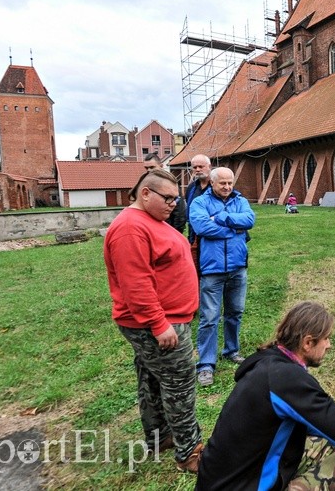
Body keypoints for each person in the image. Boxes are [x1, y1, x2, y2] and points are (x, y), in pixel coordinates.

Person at [195, 301, 335, 490]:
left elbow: (330, 427)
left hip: (221, 481)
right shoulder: (289, 381)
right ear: (308, 342)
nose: (329, 345)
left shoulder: (269, 363)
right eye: (326, 339)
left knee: (324, 439)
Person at [103, 169, 203, 472]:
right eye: (168, 198)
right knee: (180, 383)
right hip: (158, 323)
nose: (174, 204)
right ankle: (190, 452)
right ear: (145, 193)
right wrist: (159, 325)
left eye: (176, 198)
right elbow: (136, 285)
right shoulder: (130, 229)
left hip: (166, 318)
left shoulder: (150, 221)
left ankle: (160, 437)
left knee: (151, 378)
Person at [189, 167, 256, 387]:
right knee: (209, 318)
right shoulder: (200, 202)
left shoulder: (240, 200)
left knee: (235, 312)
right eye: (222, 184)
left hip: (238, 267)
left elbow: (249, 220)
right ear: (212, 183)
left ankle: (231, 351)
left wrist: (222, 217)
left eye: (230, 183)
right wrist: (234, 229)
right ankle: (206, 364)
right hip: (212, 270)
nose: (227, 187)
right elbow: (201, 226)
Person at [143, 152, 187, 234]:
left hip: (168, 230)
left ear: (161, 166)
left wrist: (175, 233)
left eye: (152, 167)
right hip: (151, 230)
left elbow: (180, 212)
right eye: (146, 168)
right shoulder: (145, 184)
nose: (149, 171)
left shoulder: (170, 183)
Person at [185, 154, 213, 243]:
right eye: (195, 167)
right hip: (194, 236)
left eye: (201, 167)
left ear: (209, 166)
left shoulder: (217, 187)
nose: (197, 170)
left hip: (212, 235)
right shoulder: (191, 188)